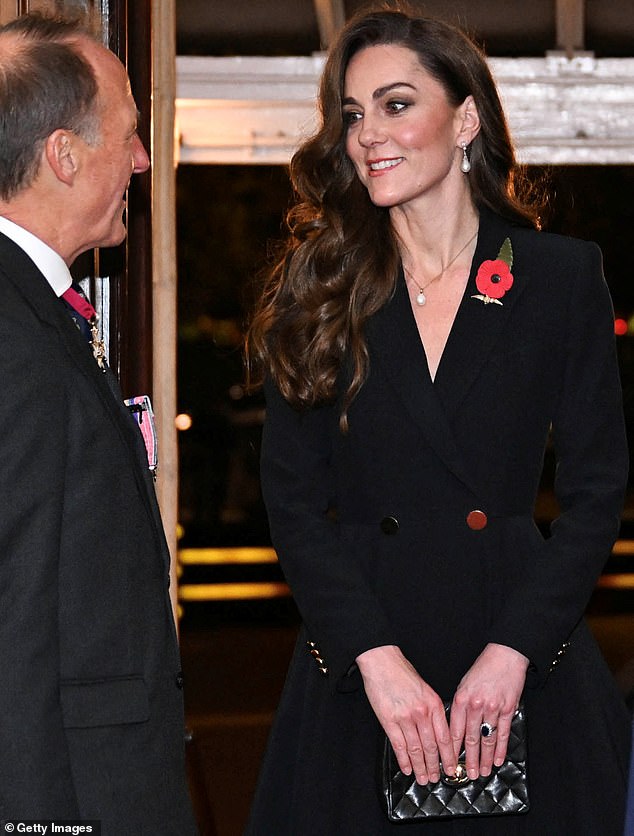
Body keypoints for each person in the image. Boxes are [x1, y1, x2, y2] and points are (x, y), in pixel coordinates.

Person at [245, 6, 631, 834]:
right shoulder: (317, 289)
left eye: (394, 104)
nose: (366, 135)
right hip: (362, 670)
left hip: (520, 656)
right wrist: (375, 661)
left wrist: (514, 651)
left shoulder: (559, 277)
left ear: (465, 119)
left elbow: (598, 492)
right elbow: (294, 508)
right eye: (352, 114)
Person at [0, 13, 197, 835]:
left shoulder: (37, 311)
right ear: (64, 154)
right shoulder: (13, 335)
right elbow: (13, 619)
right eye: (129, 134)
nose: (144, 160)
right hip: (75, 797)